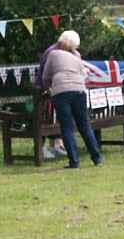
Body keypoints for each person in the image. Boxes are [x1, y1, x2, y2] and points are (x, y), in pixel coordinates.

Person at [39, 29, 103, 168]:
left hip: (61, 92)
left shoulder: (53, 54)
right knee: (84, 125)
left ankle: (74, 161)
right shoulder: (77, 56)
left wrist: (48, 87)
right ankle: (97, 158)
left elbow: (45, 76)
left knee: (67, 128)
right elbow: (83, 74)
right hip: (79, 90)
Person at [36, 37, 68, 161]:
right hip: (45, 89)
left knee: (56, 117)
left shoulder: (62, 51)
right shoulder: (52, 53)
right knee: (45, 118)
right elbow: (46, 74)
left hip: (56, 89)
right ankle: (41, 148)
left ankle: (57, 145)